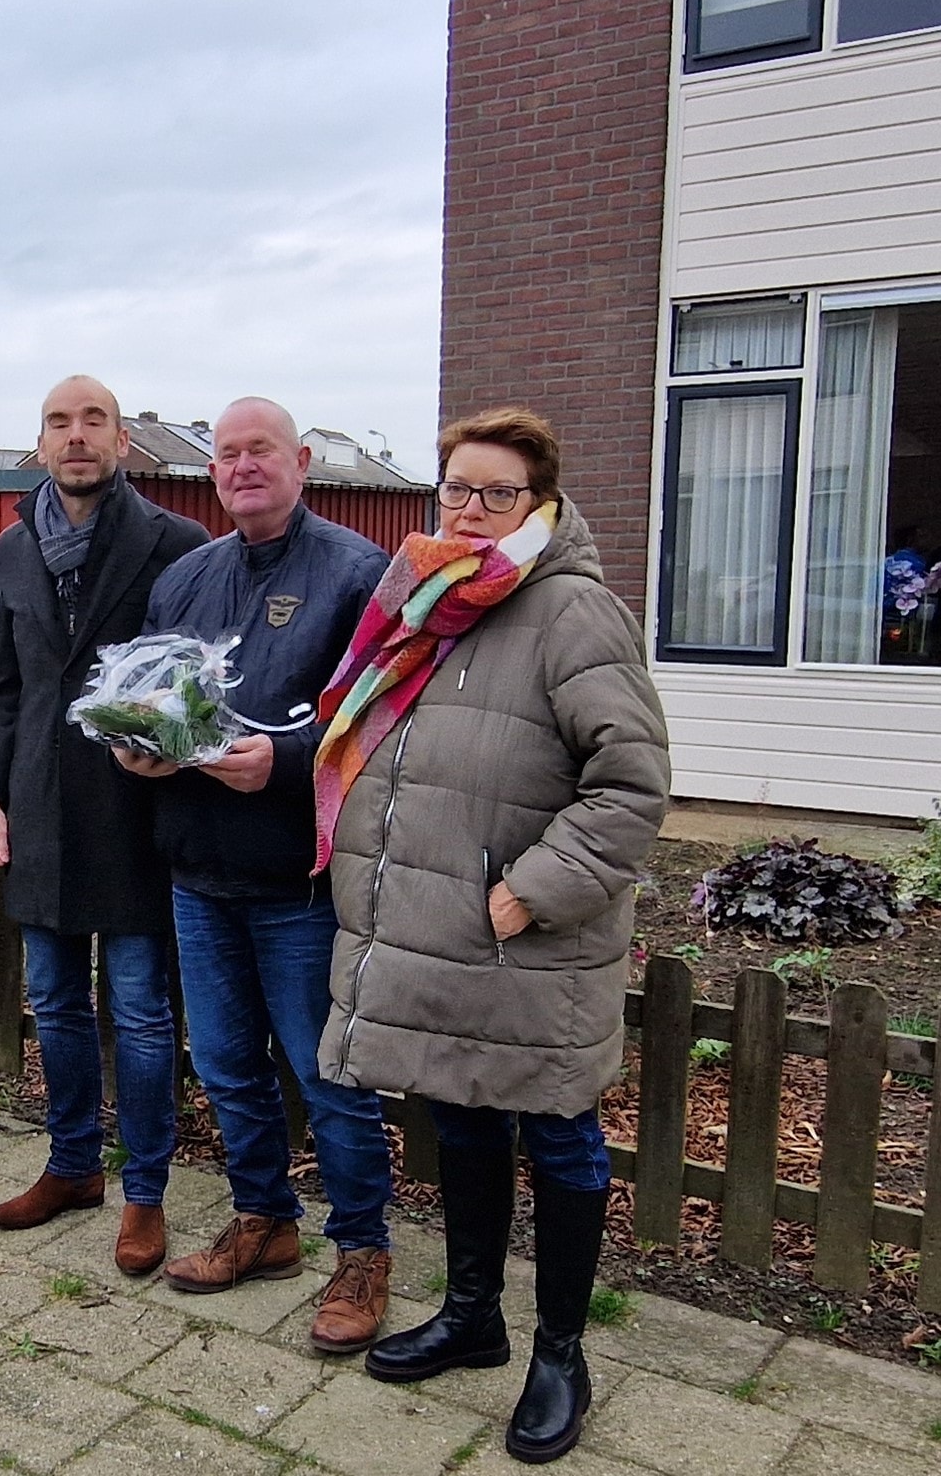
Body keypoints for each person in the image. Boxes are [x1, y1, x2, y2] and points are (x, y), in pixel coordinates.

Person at [313, 407, 669, 1465]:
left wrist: (528, 891)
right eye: (455, 490)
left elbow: (632, 783)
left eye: (495, 494)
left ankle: (561, 1353)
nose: (469, 511)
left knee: (556, 1134)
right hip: (437, 932)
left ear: (540, 505)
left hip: (528, 941)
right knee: (460, 1116)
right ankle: (474, 1316)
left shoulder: (572, 613)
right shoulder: (427, 601)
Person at [118, 396, 395, 1353]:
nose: (242, 466)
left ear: (302, 461)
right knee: (229, 1067)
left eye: (260, 450)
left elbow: (376, 725)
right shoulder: (188, 577)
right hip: (198, 869)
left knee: (328, 1078)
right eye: (227, 453)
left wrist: (281, 766)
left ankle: (362, 1252)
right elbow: (156, 695)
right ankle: (265, 1221)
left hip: (297, 881)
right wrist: (140, 747)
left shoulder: (357, 574)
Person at [0, 375, 209, 1274]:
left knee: (143, 1013)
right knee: (57, 1003)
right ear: (40, 443)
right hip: (38, 805)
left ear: (121, 441)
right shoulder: (12, 546)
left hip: (135, 807)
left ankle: (143, 1193)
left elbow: (194, 682)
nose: (77, 437)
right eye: (59, 423)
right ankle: (72, 1166)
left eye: (94, 421)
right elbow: (5, 686)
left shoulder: (174, 543)